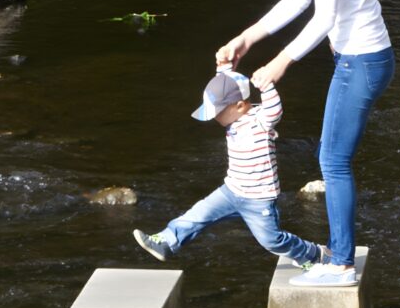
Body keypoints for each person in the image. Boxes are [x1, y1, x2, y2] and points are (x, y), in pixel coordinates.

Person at [215, 0, 392, 287]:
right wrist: (246, 37)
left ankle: (341, 265)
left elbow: (325, 15)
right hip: (358, 60)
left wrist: (282, 61)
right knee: (333, 158)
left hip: (363, 62)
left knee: (332, 160)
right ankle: (339, 255)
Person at [132, 69, 326, 269]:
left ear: (240, 106)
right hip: (231, 190)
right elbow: (227, 85)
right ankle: (165, 242)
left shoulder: (261, 120)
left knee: (271, 240)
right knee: (198, 215)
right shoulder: (233, 116)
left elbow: (275, 109)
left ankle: (312, 253)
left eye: (217, 112)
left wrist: (266, 85)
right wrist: (224, 67)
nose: (215, 118)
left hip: (258, 198)